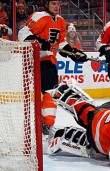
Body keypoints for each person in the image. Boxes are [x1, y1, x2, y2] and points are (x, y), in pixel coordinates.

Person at [18, 0, 88, 134]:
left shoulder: (61, 21)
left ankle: (45, 124)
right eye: (53, 4)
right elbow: (23, 34)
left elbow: (61, 42)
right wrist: (37, 41)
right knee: (51, 91)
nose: (57, 7)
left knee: (50, 92)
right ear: (46, 5)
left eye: (58, 4)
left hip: (50, 60)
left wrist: (72, 52)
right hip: (36, 59)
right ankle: (46, 124)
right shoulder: (39, 16)